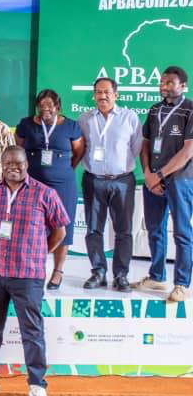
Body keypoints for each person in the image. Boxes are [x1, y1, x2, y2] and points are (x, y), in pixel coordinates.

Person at [0, 146, 68, 396]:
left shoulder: (45, 193)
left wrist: (39, 252)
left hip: (28, 275)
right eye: (8, 163)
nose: (13, 167)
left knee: (32, 331)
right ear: (1, 165)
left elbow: (60, 232)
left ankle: (37, 385)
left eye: (18, 163)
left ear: (27, 164)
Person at [15, 89, 85, 290]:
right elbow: (18, 148)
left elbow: (79, 151)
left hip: (63, 184)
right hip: (33, 183)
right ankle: (34, 267)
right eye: (41, 106)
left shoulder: (71, 126)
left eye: (50, 106)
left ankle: (58, 271)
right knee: (32, 224)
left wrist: (65, 169)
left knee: (63, 225)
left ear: (58, 106)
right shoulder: (26, 124)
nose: (45, 110)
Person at [78, 77, 142, 293]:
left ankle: (121, 275)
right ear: (94, 95)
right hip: (94, 180)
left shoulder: (129, 117)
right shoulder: (85, 119)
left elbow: (135, 147)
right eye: (98, 92)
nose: (102, 96)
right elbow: (81, 147)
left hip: (122, 180)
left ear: (116, 95)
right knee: (93, 229)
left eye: (107, 92)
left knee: (124, 230)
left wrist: (117, 165)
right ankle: (98, 272)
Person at [136, 66, 193, 303]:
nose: (164, 86)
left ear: (183, 86)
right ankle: (157, 276)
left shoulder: (190, 109)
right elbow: (145, 144)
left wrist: (158, 175)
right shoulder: (154, 110)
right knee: (154, 229)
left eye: (170, 82)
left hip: (180, 180)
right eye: (162, 82)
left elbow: (188, 150)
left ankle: (182, 284)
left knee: (182, 232)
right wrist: (148, 173)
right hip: (154, 179)